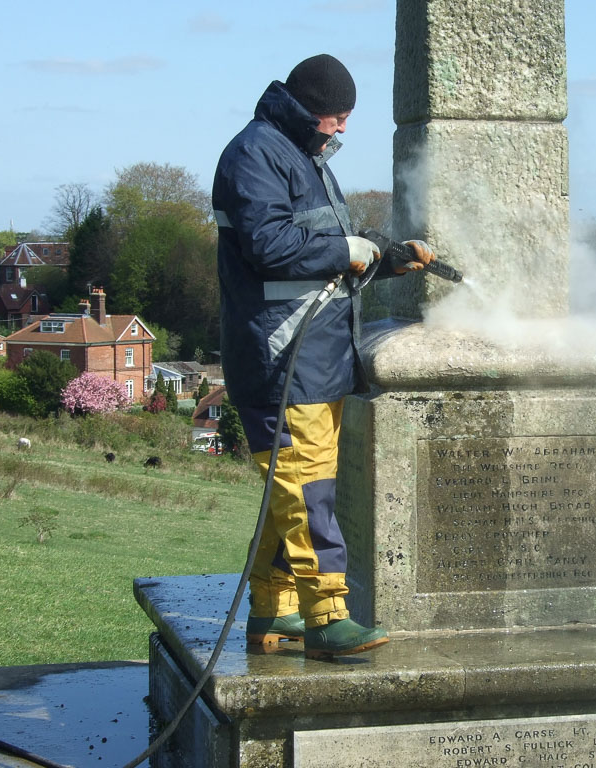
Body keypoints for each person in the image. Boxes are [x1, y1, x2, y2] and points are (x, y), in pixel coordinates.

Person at [212, 54, 433, 659]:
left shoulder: (301, 157)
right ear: (308, 111)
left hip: (316, 359)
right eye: (336, 118)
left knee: (293, 496)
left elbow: (324, 254)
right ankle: (327, 617)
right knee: (308, 494)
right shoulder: (254, 154)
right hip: (281, 361)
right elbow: (272, 246)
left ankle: (272, 613)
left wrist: (387, 256)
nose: (341, 130)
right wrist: (347, 246)